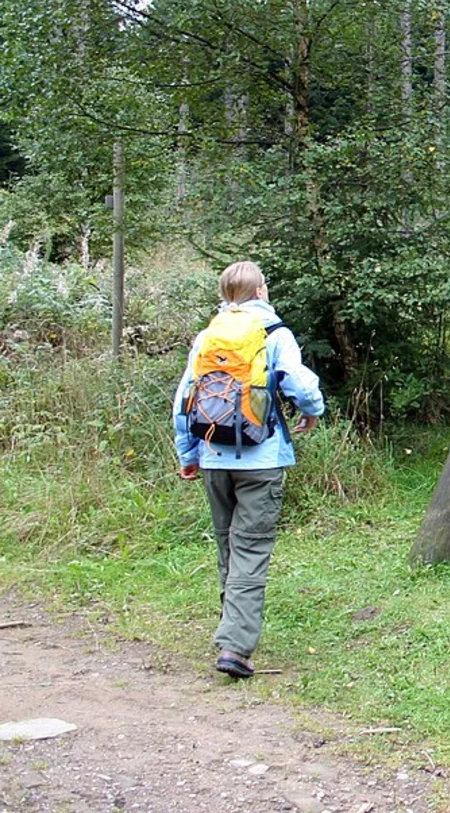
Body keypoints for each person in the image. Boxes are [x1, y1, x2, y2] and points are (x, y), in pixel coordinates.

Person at [172, 261, 324, 679]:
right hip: (263, 459)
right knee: (252, 548)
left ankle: (230, 628)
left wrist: (187, 453)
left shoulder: (208, 336)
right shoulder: (275, 334)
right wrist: (313, 411)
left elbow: (185, 397)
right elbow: (300, 384)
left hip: (212, 455)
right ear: (260, 292)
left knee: (228, 544)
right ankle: (235, 647)